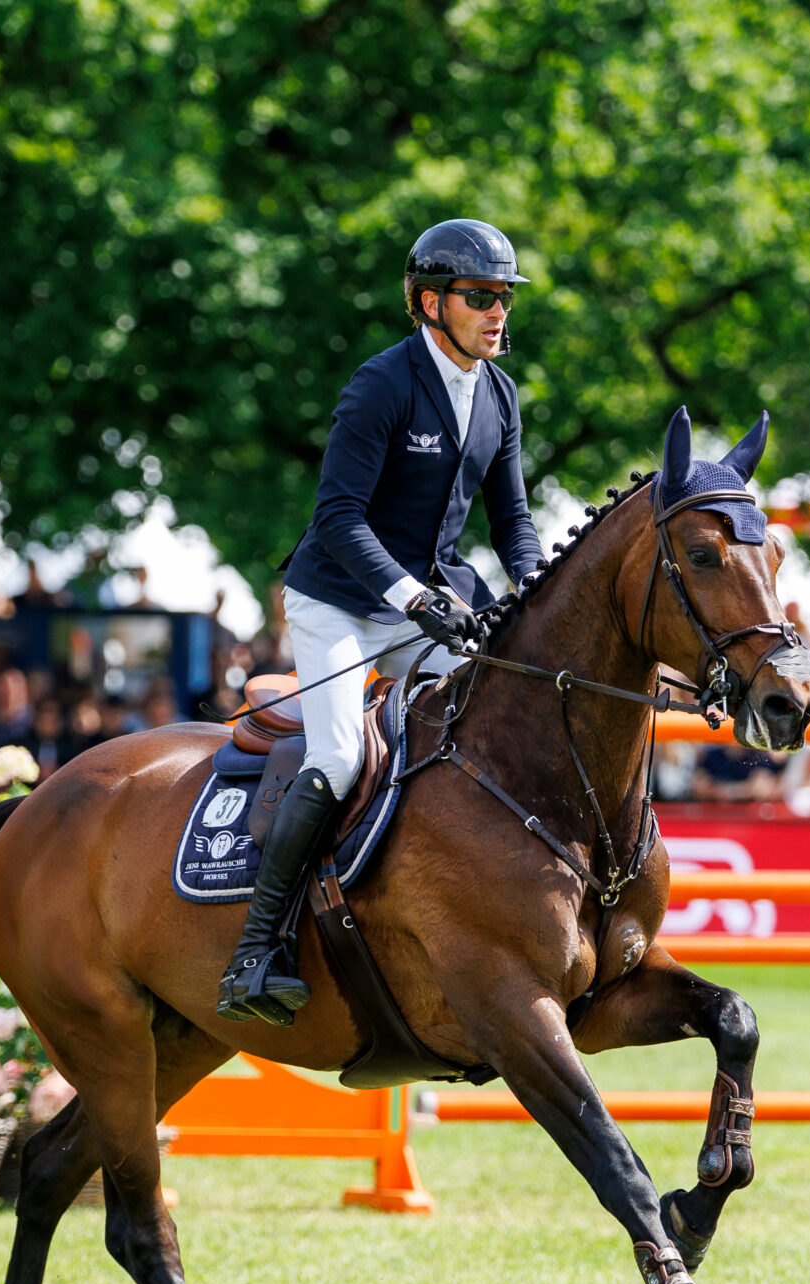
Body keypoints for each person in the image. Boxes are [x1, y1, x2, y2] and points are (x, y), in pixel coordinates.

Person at [218, 217, 544, 1022]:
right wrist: (413, 600)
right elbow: (337, 516)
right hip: (341, 599)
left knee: (478, 730)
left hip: (428, 600)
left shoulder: (499, 393)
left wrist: (536, 585)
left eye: (504, 298)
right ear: (431, 302)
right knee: (334, 757)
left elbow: (513, 523)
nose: (497, 312)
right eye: (480, 297)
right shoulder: (383, 383)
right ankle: (258, 951)